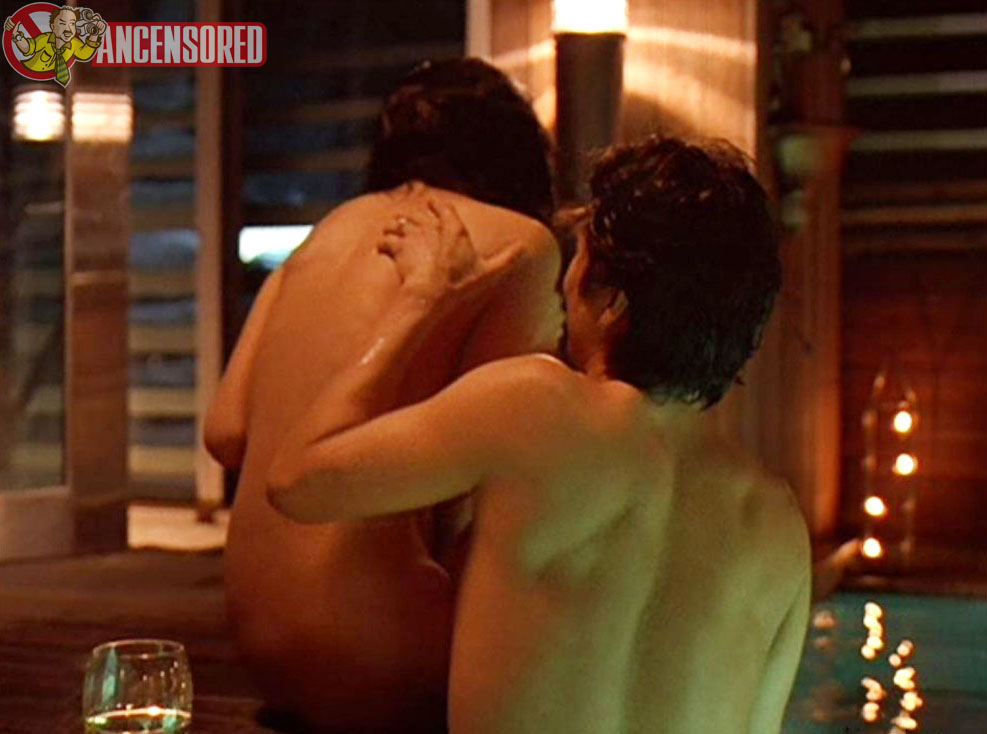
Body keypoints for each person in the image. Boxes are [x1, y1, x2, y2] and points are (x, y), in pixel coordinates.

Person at [268, 136, 812, 734]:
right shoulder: (779, 525)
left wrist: (421, 299)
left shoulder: (538, 406)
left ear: (613, 301)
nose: (564, 284)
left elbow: (298, 481)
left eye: (577, 259)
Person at [205, 59, 563, 733]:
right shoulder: (521, 246)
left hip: (263, 649)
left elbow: (226, 433)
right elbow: (492, 469)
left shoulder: (323, 235)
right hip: (387, 658)